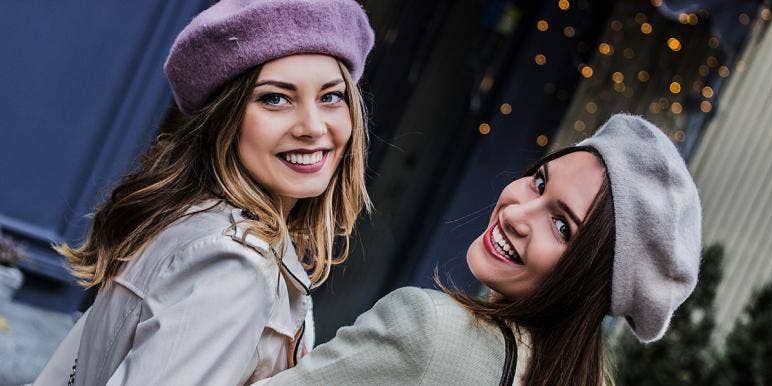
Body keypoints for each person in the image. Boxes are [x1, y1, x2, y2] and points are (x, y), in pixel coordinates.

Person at [34, 1, 374, 385]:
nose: (313, 126)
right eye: (275, 98)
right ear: (223, 121)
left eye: (331, 96)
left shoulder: (192, 221)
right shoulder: (233, 265)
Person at [253, 114, 702, 385]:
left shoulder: (430, 331)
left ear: (590, 281)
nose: (518, 213)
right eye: (539, 182)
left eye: (562, 226)